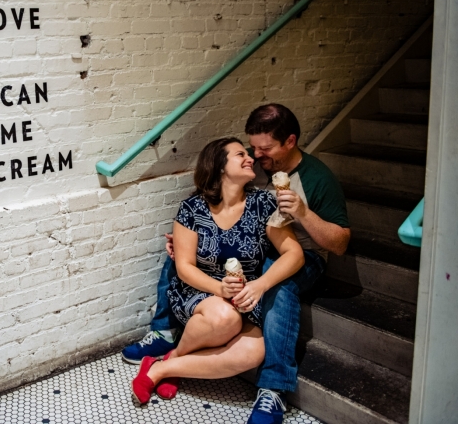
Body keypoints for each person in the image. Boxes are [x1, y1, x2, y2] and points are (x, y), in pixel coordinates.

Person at [123, 104, 350, 424]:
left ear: (289, 142)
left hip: (301, 254)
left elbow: (330, 246)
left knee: (272, 297)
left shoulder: (306, 183)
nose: (254, 156)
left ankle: (179, 366)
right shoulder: (213, 191)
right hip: (218, 278)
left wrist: (300, 214)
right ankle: (162, 331)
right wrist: (192, 246)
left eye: (263, 149)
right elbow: (190, 252)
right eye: (249, 149)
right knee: (179, 257)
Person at [131, 137, 305, 405]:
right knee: (226, 318)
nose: (251, 158)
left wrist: (260, 285)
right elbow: (184, 266)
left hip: (246, 296)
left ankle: (166, 364)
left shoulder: (263, 204)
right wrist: (219, 289)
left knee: (253, 354)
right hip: (199, 290)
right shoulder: (193, 209)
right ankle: (170, 363)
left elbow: (294, 254)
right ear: (220, 166)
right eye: (240, 155)